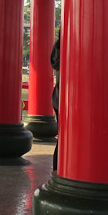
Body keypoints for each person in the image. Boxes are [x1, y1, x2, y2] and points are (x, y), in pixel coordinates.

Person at [50, 38, 60, 170]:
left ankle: (57, 170)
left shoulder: (58, 49)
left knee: (62, 139)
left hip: (59, 97)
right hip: (70, 98)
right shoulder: (72, 46)